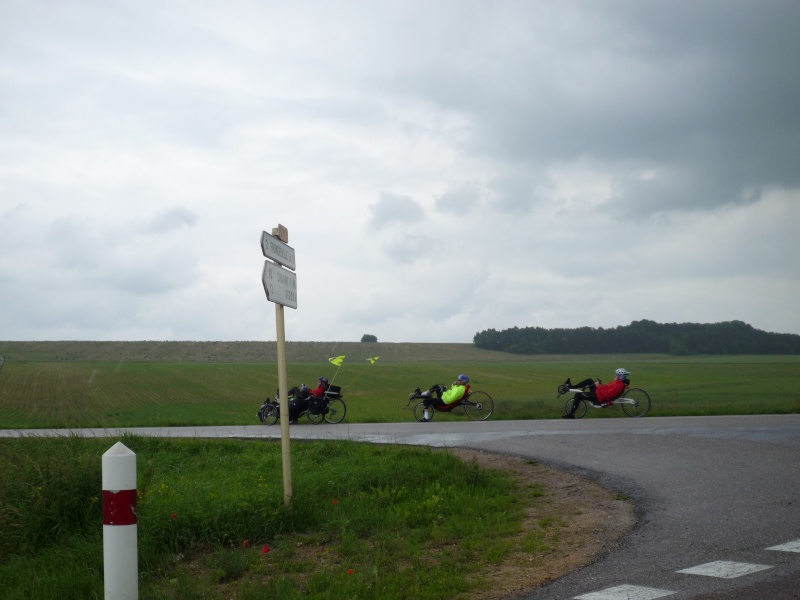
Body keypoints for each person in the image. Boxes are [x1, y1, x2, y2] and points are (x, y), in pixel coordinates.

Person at [561, 368, 630, 419]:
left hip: (599, 398)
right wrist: (601, 384)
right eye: (616, 374)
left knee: (578, 395)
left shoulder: (618, 385)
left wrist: (598, 386)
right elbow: (608, 388)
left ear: (621, 376)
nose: (616, 376)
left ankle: (571, 414)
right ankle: (572, 387)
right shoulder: (618, 383)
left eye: (617, 375)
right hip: (599, 393)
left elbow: (607, 395)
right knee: (589, 380)